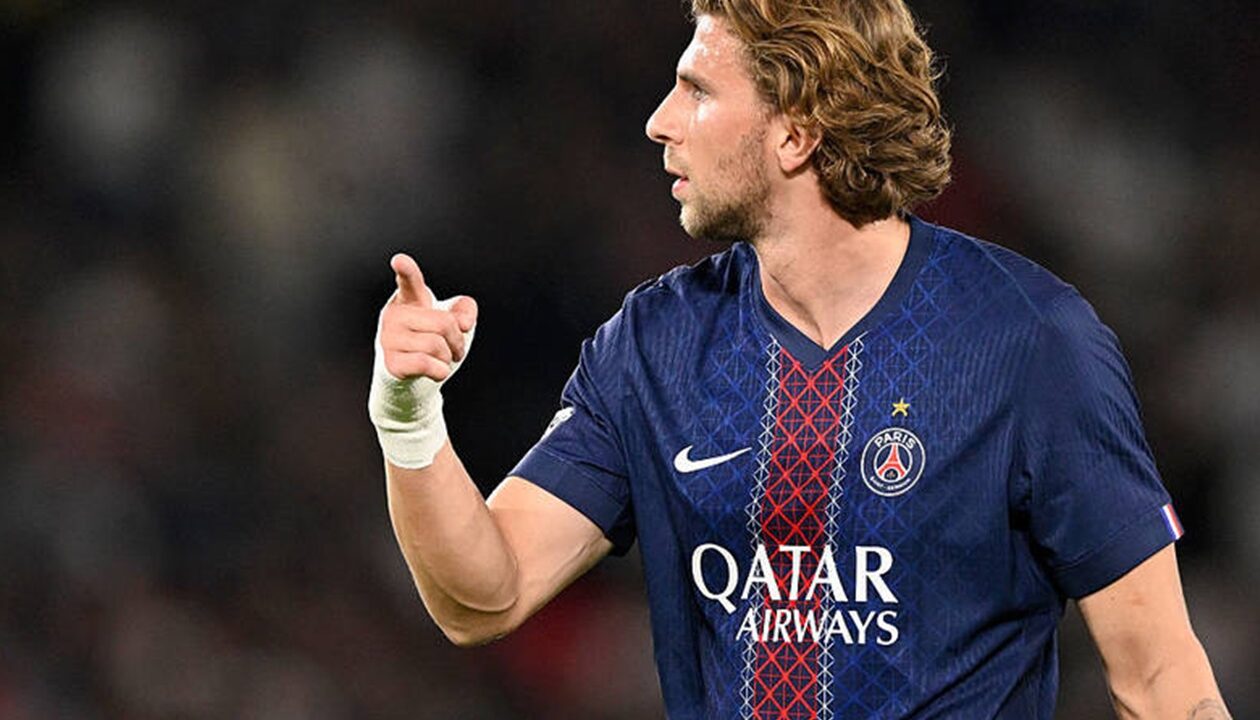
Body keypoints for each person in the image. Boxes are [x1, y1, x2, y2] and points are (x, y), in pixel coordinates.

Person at [367, 1, 1231, 717]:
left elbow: (1160, 679)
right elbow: (483, 597)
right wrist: (406, 414)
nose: (659, 122)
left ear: (797, 132)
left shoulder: (1029, 342)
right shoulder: (655, 345)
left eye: (697, 91)